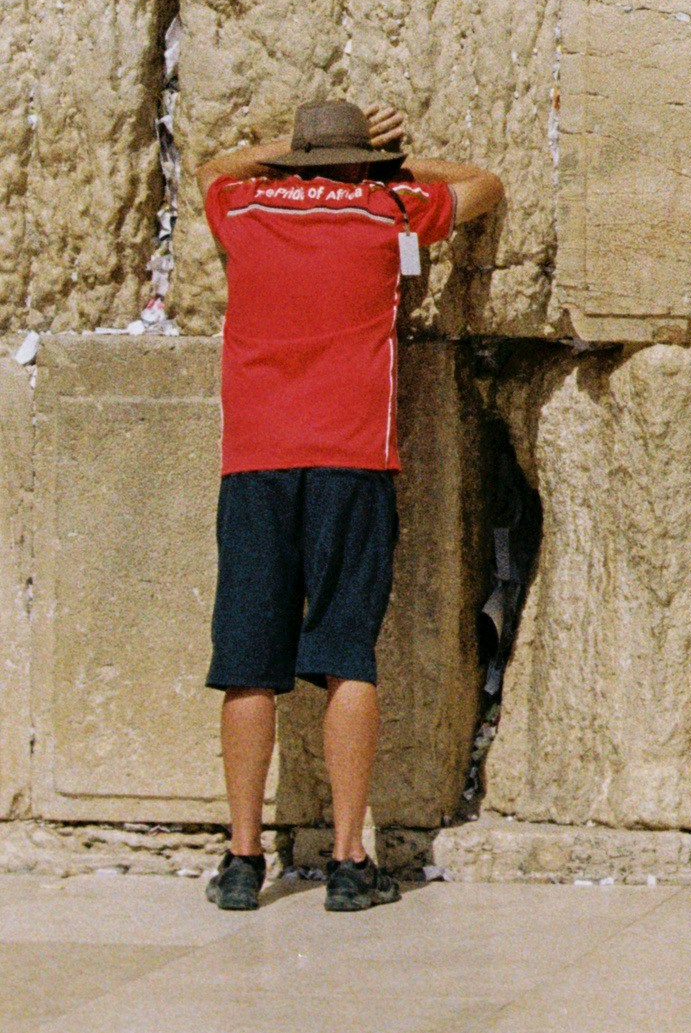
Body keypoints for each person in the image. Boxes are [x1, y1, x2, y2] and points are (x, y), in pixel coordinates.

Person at [188, 98, 503, 914]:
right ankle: (350, 859)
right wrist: (395, 161)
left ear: (297, 159)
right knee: (345, 655)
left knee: (247, 663)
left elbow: (211, 167)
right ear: (364, 161)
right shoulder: (387, 207)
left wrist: (279, 154)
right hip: (354, 456)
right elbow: (487, 183)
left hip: (256, 459)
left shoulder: (244, 206)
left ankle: (240, 858)